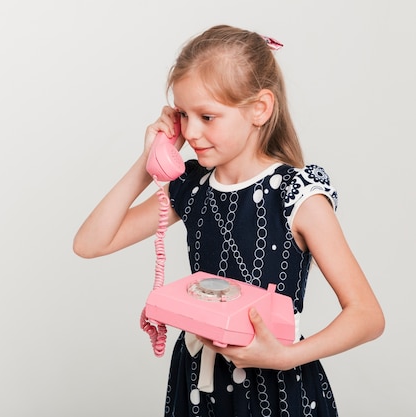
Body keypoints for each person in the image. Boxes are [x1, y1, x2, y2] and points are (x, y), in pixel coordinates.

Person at [73, 24, 384, 416]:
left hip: (276, 387)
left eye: (207, 116)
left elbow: (367, 315)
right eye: (184, 116)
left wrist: (287, 357)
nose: (193, 132)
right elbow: (90, 243)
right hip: (198, 388)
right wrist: (149, 159)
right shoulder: (192, 188)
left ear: (260, 109)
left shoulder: (297, 196)